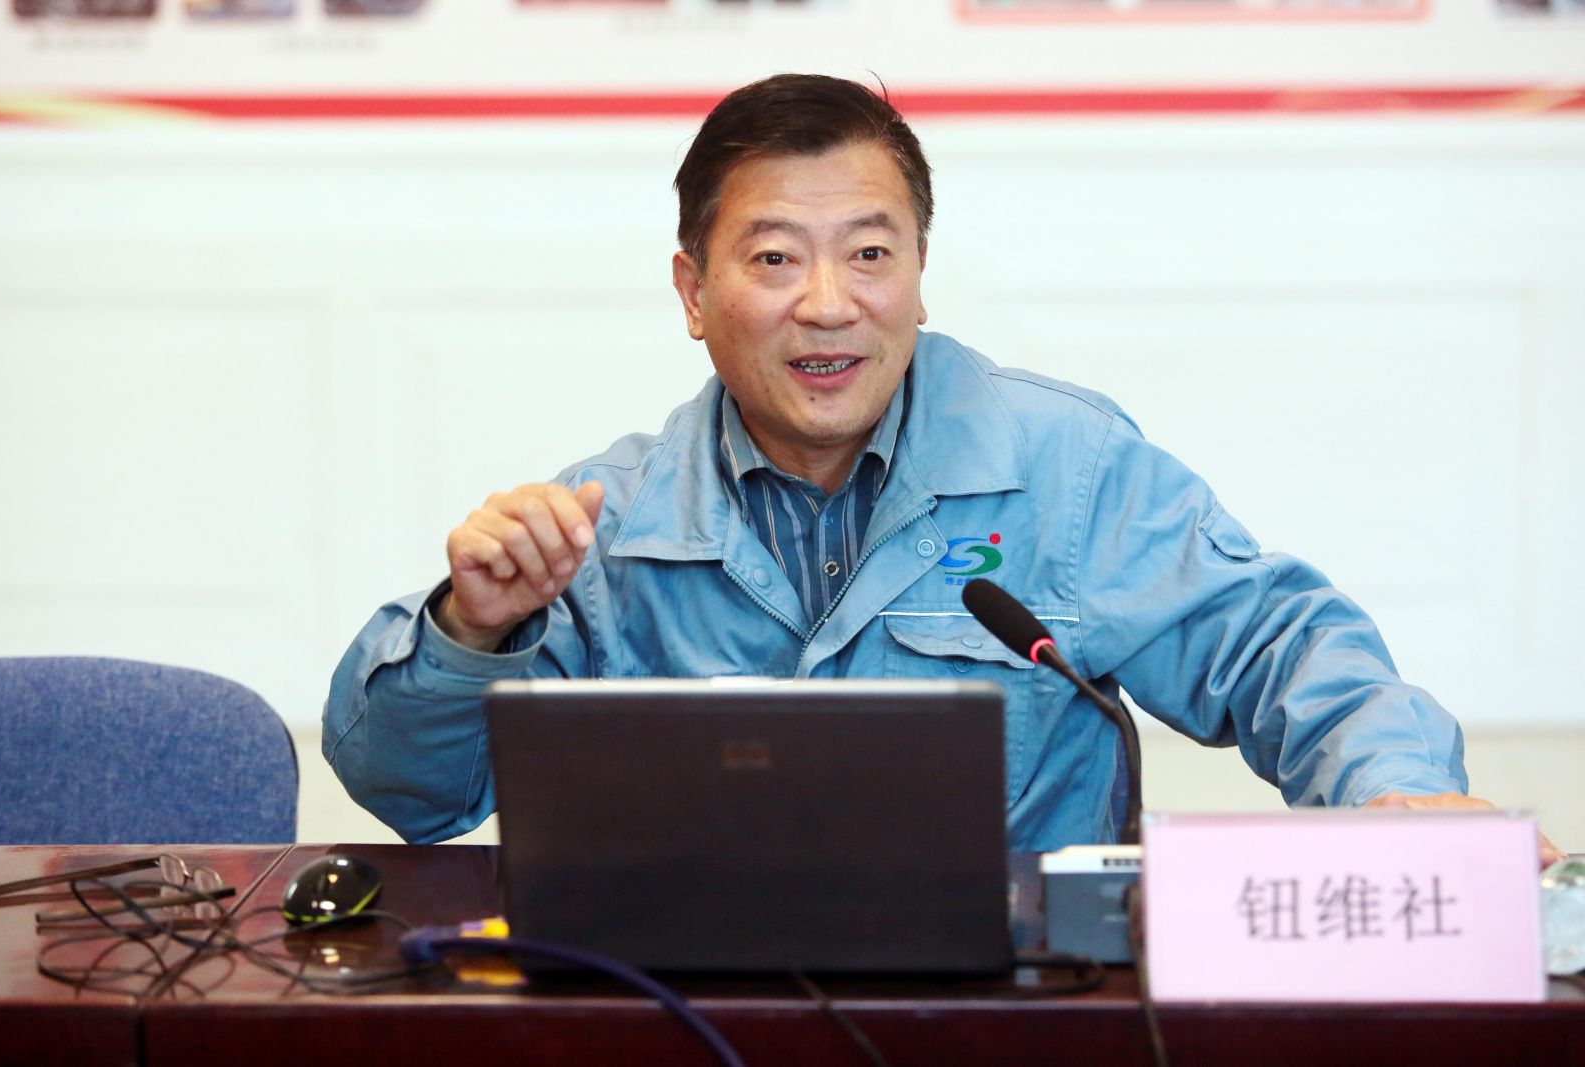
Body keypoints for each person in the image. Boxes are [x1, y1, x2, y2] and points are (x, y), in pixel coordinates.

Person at [324, 73, 1561, 863]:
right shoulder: (609, 522)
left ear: (918, 271)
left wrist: (1397, 799)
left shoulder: (1061, 468)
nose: (829, 303)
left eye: (870, 253)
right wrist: (472, 631)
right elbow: (410, 792)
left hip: (1016, 1016)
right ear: (693, 293)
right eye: (774, 259)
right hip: (701, 1015)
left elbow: (1276, 644)